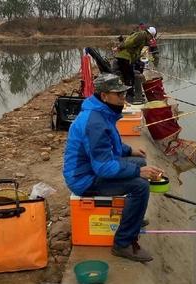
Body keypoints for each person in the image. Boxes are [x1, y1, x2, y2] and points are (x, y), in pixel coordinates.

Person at [63, 73, 164, 262]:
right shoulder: (95, 122)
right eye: (118, 94)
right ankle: (123, 244)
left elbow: (109, 144)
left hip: (92, 169)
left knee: (140, 163)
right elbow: (103, 167)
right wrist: (137, 172)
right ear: (104, 96)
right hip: (84, 180)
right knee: (140, 186)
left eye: (124, 93)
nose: (123, 98)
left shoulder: (102, 111)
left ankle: (132, 217)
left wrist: (128, 151)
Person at [113, 26, 157, 102]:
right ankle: (129, 97)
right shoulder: (141, 35)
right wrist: (119, 47)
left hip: (126, 57)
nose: (150, 39)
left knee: (131, 76)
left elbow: (135, 50)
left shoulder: (143, 37)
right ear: (149, 34)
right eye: (151, 37)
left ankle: (130, 95)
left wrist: (135, 59)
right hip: (124, 57)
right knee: (130, 77)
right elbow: (129, 43)